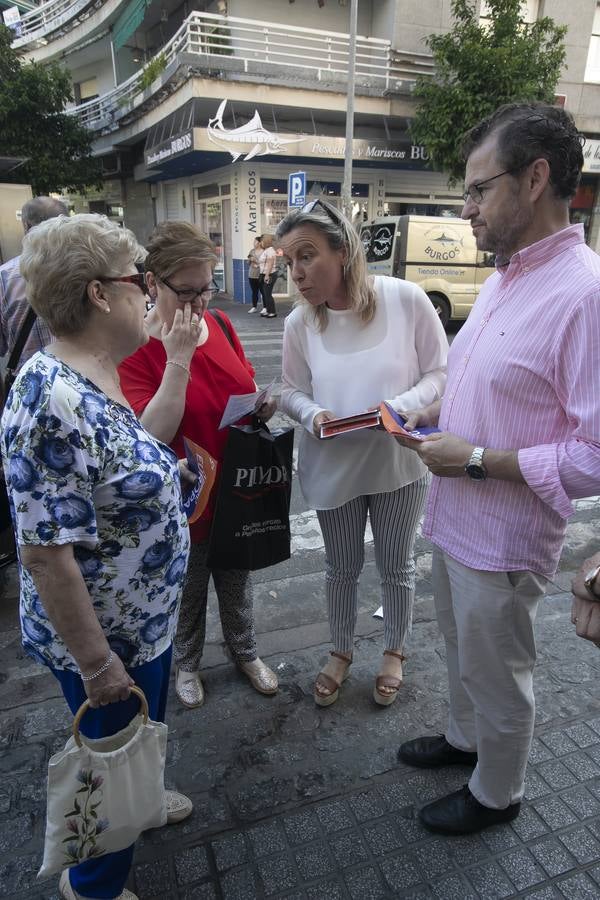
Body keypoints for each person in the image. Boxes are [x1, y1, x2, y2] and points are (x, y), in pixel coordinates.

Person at [395, 102, 600, 836]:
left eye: (480, 188)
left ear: (536, 178)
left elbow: (593, 457)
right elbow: (488, 384)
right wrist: (438, 422)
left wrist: (476, 460)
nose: (466, 206)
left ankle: (497, 792)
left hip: (506, 535)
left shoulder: (586, 292)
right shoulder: (509, 277)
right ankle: (463, 740)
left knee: (500, 673)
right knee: (459, 651)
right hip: (455, 517)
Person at [1, 213, 193, 900]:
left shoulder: (99, 369)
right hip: (106, 641)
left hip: (144, 622)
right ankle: (96, 883)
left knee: (141, 735)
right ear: (97, 294)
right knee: (106, 760)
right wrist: (98, 664)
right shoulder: (47, 398)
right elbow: (46, 555)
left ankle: (141, 798)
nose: (151, 292)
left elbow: (117, 463)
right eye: (140, 280)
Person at [276, 198, 447, 708]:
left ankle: (395, 649)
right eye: (288, 262)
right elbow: (289, 390)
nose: (297, 273)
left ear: (344, 250)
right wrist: (313, 415)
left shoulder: (406, 299)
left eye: (307, 256)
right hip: (332, 466)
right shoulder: (300, 324)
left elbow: (441, 373)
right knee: (340, 569)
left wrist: (398, 407)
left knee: (397, 566)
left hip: (397, 463)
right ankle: (341, 650)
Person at [119, 220, 278, 710]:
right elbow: (150, 433)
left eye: (205, 288)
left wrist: (261, 405)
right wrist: (178, 356)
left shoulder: (224, 325)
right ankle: (187, 663)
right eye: (185, 291)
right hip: (183, 493)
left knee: (237, 578)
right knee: (186, 588)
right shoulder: (134, 345)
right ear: (152, 284)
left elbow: (243, 383)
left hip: (235, 484)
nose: (198, 303)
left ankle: (245, 651)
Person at [0, 196, 68, 369]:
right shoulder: (90, 267)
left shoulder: (4, 276)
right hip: (85, 382)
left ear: (26, 226)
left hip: (30, 385)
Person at [258, 233, 277, 318]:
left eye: (261, 241)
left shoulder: (270, 251)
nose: (260, 243)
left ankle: (272, 312)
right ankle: (268, 310)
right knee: (265, 294)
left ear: (265, 241)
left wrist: (267, 275)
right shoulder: (266, 250)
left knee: (268, 294)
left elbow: (270, 263)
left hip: (270, 274)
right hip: (264, 274)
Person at [247, 237, 262, 313]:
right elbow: (248, 263)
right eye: (254, 241)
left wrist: (256, 261)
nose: (254, 243)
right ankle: (254, 307)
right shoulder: (252, 251)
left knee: (263, 292)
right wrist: (250, 260)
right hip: (251, 274)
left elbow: (264, 263)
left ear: (259, 243)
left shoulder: (264, 252)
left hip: (260, 274)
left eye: (255, 241)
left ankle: (265, 307)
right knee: (254, 292)